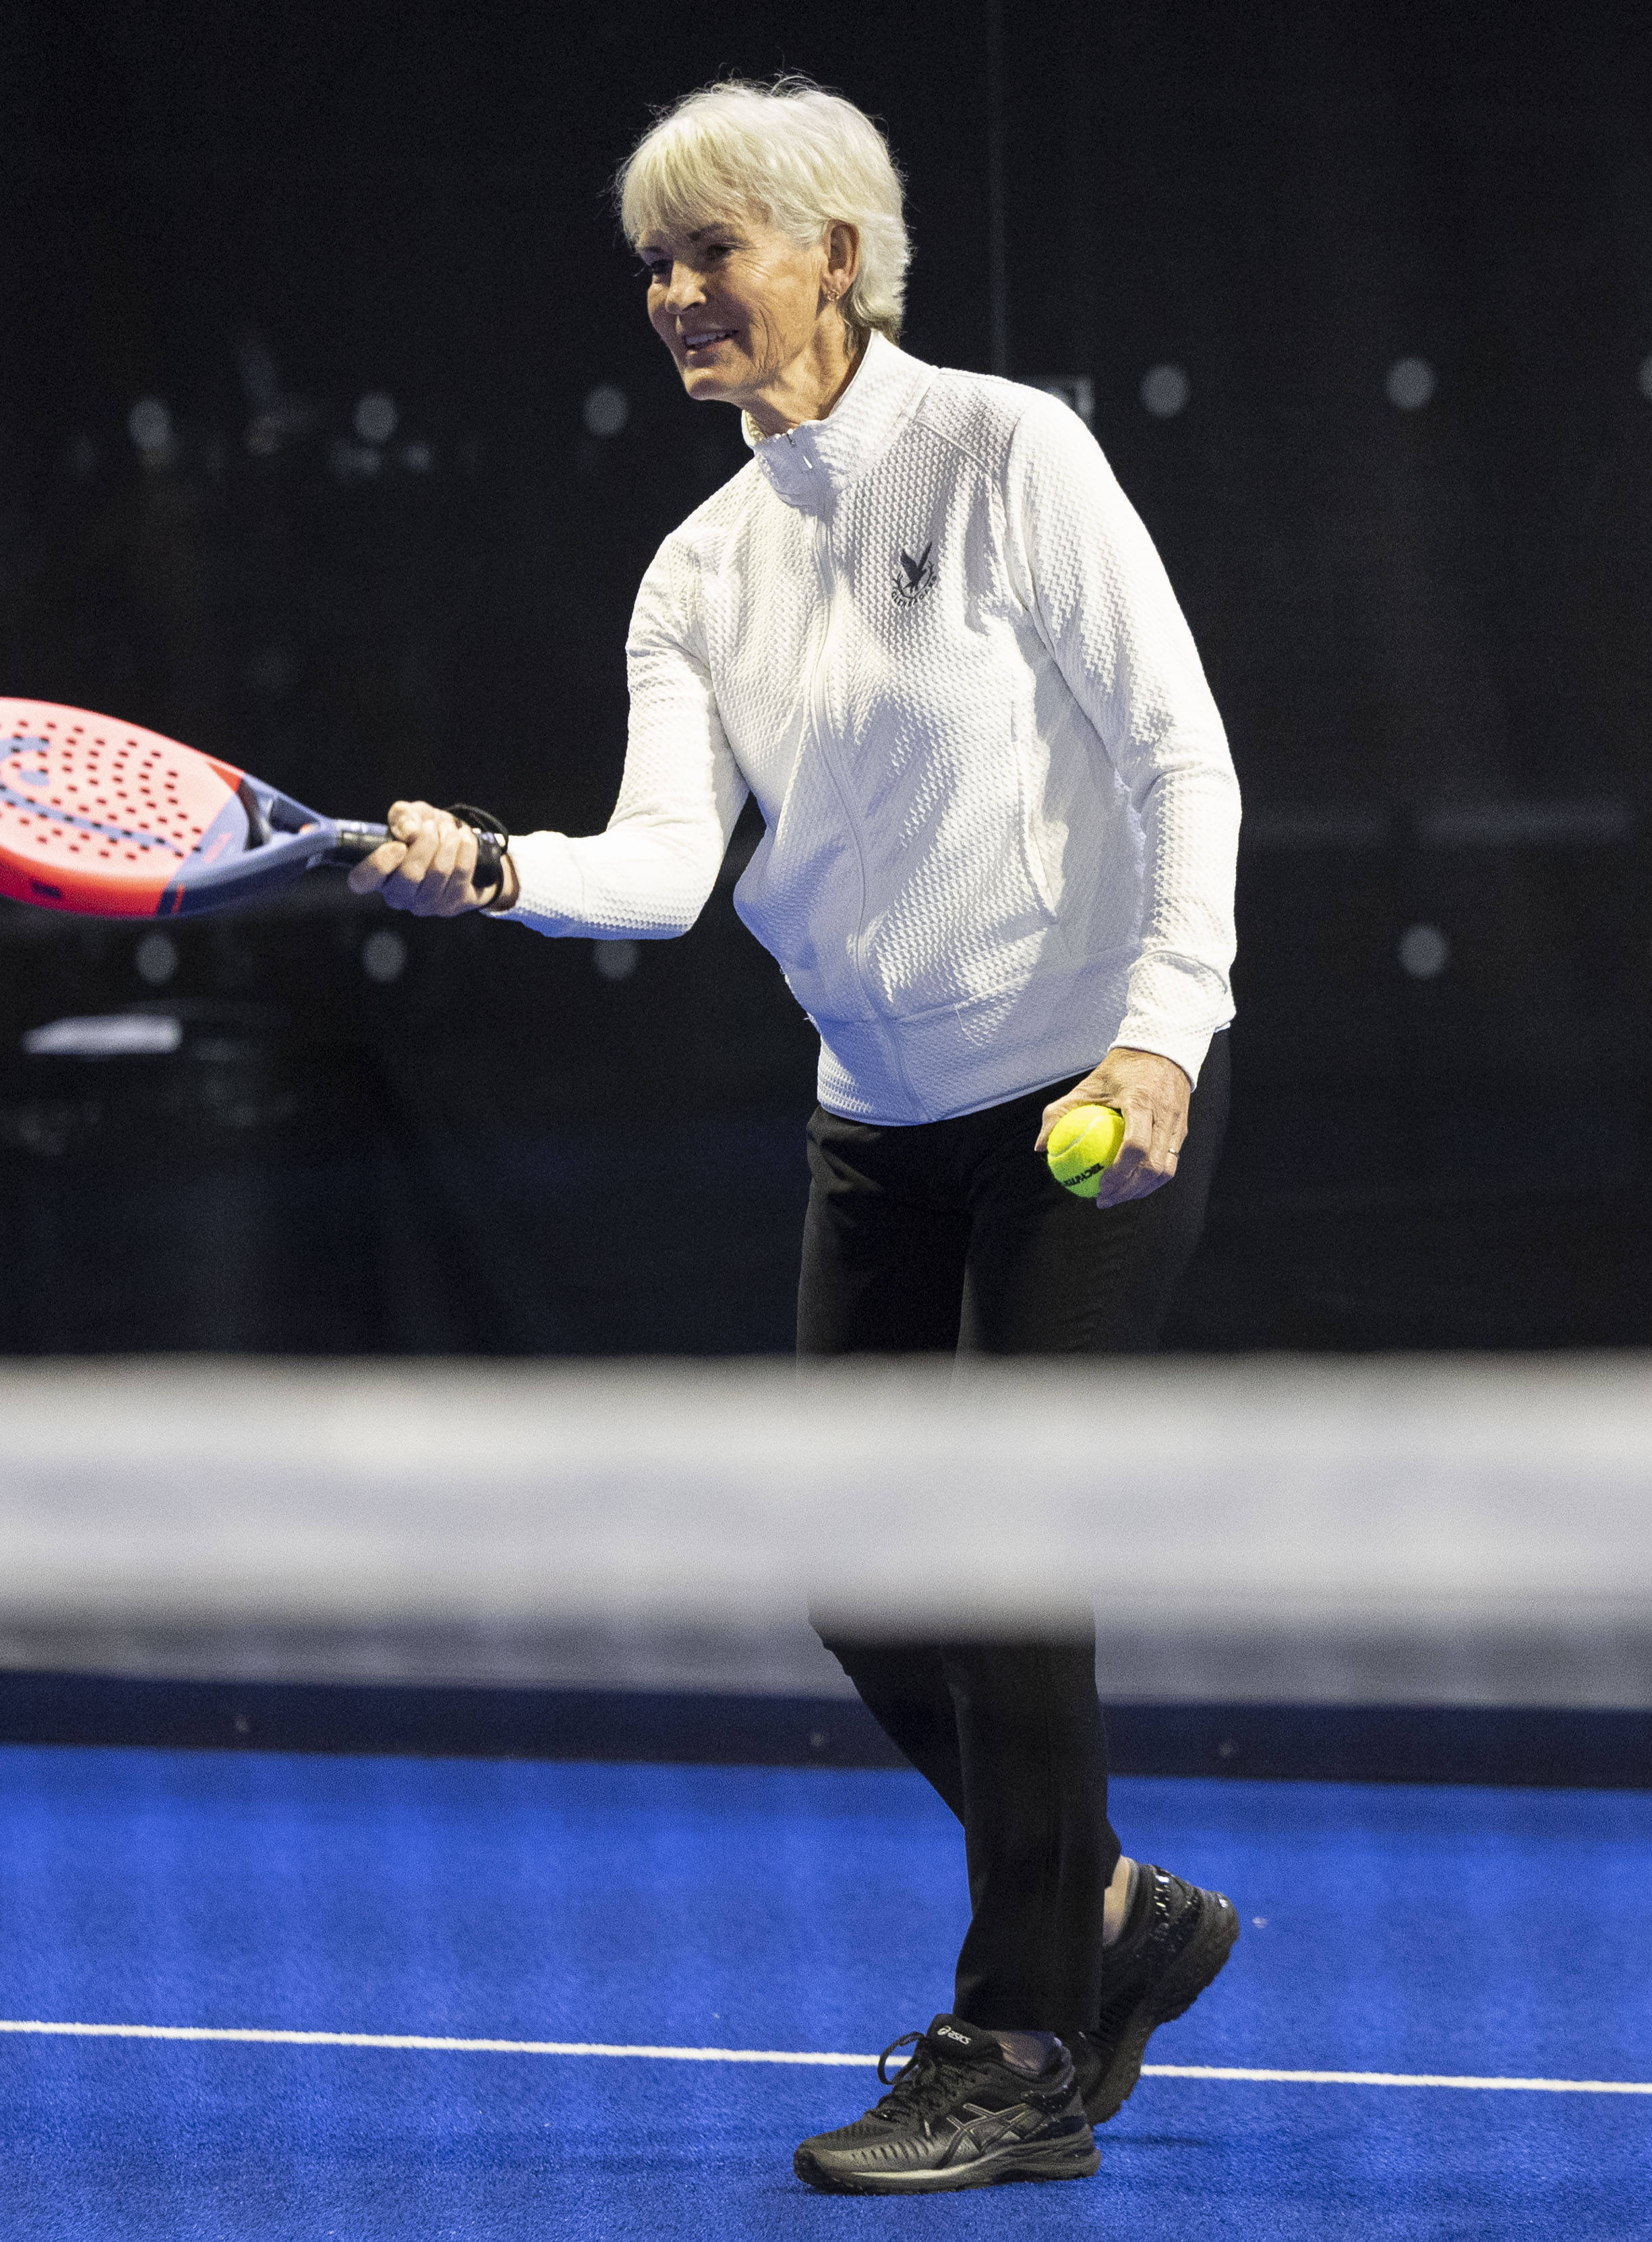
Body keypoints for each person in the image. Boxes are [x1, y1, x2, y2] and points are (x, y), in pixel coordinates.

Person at [351, 76, 1241, 2195]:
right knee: (859, 1582)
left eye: (711, 253)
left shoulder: (1010, 452)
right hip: (880, 1119)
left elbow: (1179, 758)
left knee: (1003, 1548)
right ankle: (1114, 1909)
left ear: (835, 252)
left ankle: (1018, 2034)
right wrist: (486, 866)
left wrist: (1164, 1044)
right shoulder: (694, 570)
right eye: (652, 267)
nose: (674, 297)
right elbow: (659, 871)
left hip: (1085, 1092)